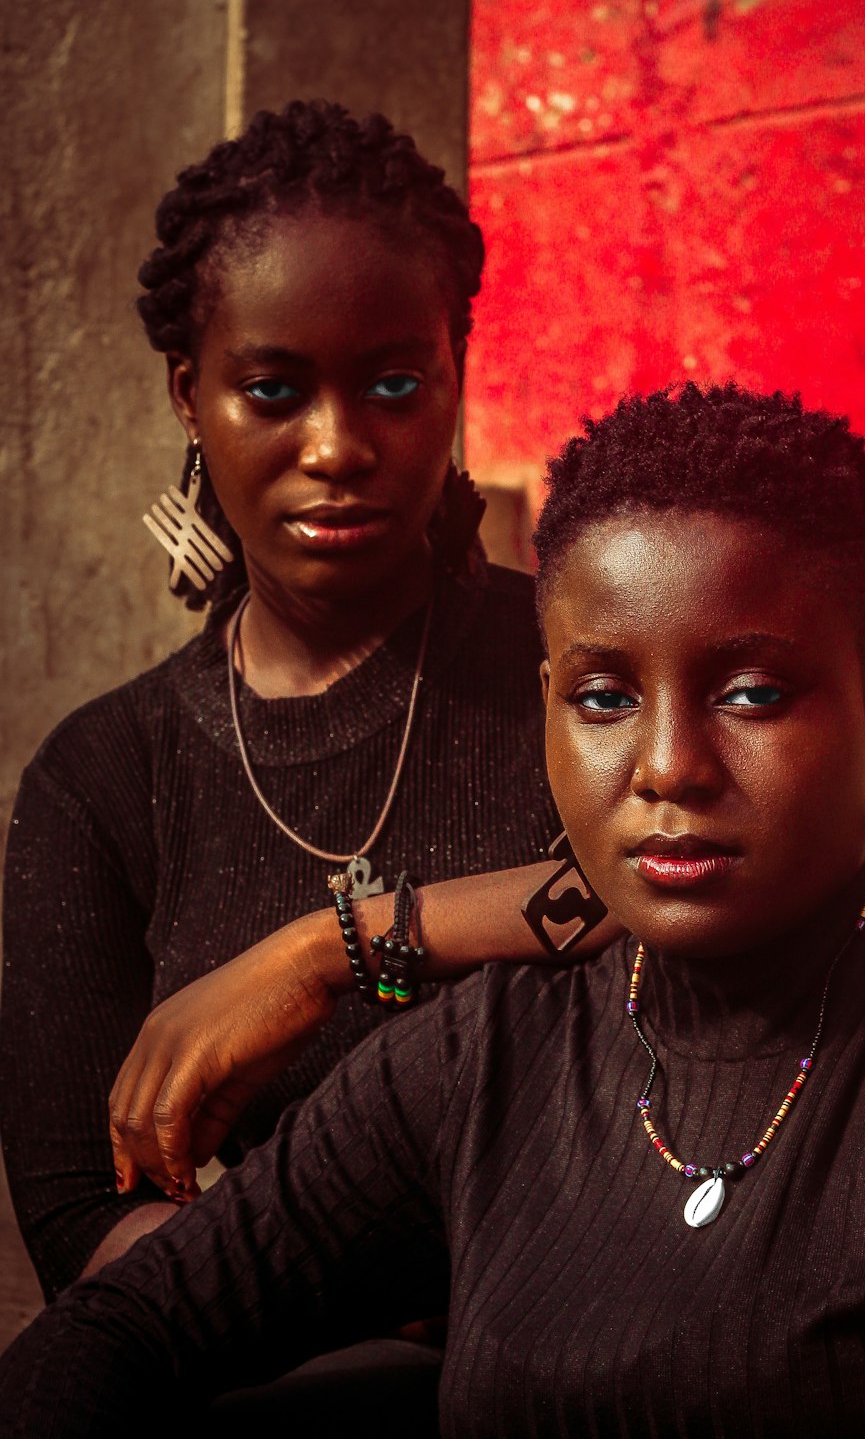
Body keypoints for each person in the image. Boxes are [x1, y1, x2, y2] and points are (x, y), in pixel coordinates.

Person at [3, 382, 865, 1436]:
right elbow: (119, 1329)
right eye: (605, 698)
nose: (666, 768)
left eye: (750, 692)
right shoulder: (485, 1055)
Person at [0, 99, 594, 1305]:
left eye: (392, 382)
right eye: (273, 391)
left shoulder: (581, 661)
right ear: (189, 396)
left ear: (454, 375)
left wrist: (336, 949)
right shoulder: (107, 774)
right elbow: (80, 1210)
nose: (338, 445)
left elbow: (721, 889)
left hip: (602, 1332)